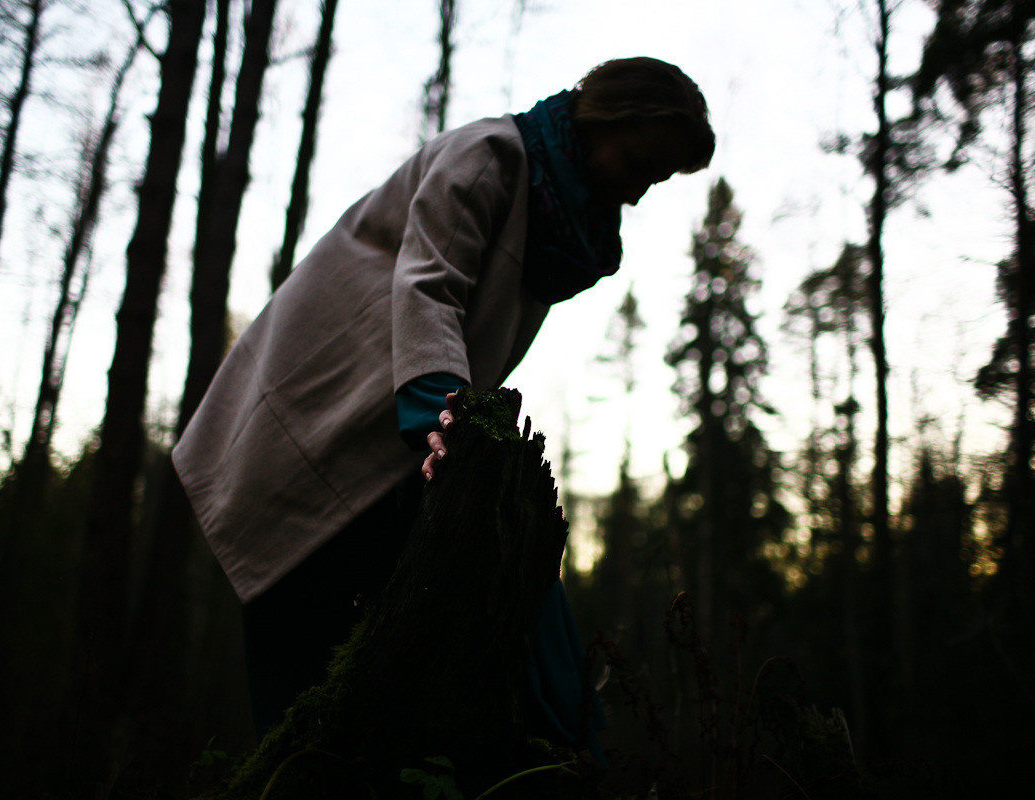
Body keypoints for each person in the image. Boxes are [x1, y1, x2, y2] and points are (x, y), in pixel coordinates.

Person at [173, 56, 715, 748]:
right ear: (603, 118)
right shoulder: (490, 156)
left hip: (397, 443)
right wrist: (444, 411)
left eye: (655, 179)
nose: (637, 193)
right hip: (318, 421)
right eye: (637, 162)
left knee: (487, 635)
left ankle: (565, 756)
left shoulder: (561, 225)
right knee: (306, 687)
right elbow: (430, 284)